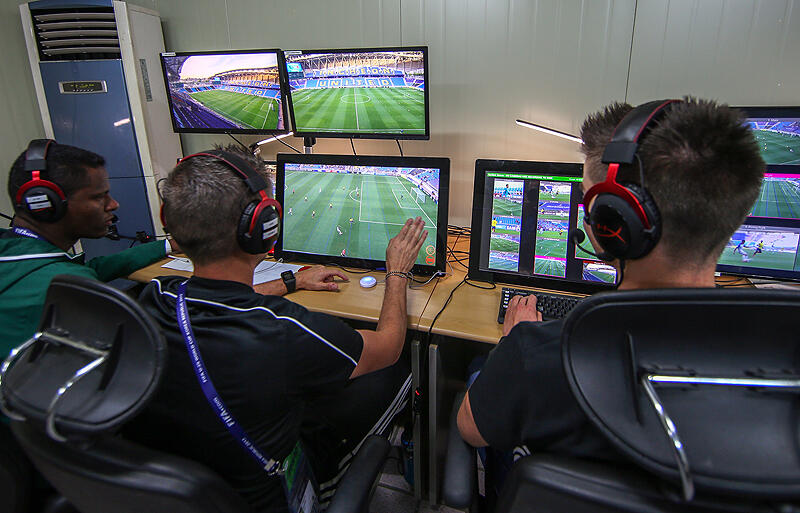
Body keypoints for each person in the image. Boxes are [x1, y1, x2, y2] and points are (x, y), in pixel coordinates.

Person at [456, 98, 765, 502]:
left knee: (477, 370)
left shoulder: (536, 354)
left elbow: (469, 429)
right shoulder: (774, 358)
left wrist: (512, 343)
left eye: (590, 202)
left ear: (616, 222)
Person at [130, 148, 427, 513]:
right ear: (261, 227)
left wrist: (291, 281)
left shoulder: (153, 296)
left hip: (185, 492)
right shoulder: (287, 330)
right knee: (397, 370)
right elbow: (389, 345)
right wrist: (397, 272)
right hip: (276, 495)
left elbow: (222, 297)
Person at [0, 140, 176, 357]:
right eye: (99, 197)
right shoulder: (65, 287)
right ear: (46, 204)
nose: (113, 204)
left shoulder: (15, 253)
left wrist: (167, 245)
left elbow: (91, 269)